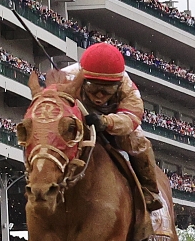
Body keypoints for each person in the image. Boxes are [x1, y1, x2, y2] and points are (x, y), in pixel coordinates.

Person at [67, 41, 164, 212]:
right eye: (93, 87)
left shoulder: (128, 86)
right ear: (83, 79)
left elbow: (132, 117)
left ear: (118, 85)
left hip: (114, 121)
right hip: (75, 118)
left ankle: (149, 189)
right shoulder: (68, 77)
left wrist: (106, 122)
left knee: (138, 142)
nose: (99, 95)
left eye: (107, 90)